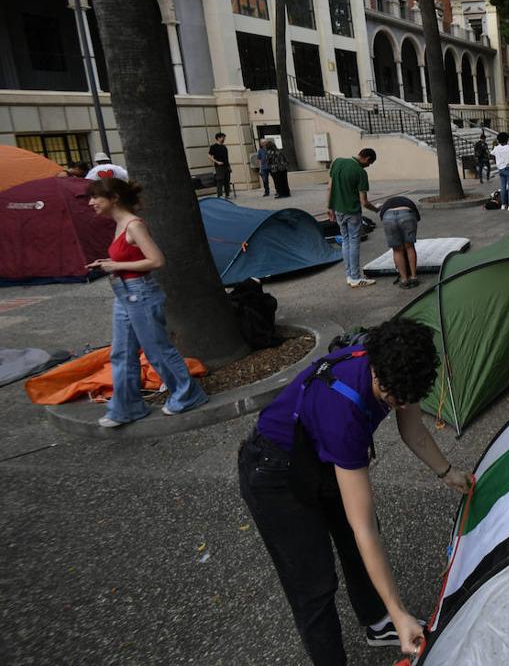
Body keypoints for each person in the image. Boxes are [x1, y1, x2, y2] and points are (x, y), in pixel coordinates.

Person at [239, 315, 474, 663]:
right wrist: (400, 609)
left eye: (406, 397)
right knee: (314, 583)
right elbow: (363, 528)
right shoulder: (344, 415)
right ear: (377, 372)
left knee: (354, 545)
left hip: (319, 452)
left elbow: (411, 428)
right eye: (392, 398)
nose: (399, 404)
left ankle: (378, 621)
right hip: (274, 471)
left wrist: (446, 471)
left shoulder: (395, 365)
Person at [85, 178, 209, 427]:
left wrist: (116, 265)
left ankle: (188, 395)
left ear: (114, 198)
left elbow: (156, 260)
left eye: (96, 197)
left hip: (140, 293)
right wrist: (108, 263)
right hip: (125, 294)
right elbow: (130, 257)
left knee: (157, 350)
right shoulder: (120, 224)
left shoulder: (133, 225)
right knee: (121, 353)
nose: (91, 202)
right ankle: (127, 407)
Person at [327, 148, 379, 288]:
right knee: (354, 242)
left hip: (338, 210)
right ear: (367, 159)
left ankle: (349, 275)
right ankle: (356, 277)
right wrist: (377, 210)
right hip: (352, 212)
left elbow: (329, 187)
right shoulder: (361, 172)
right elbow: (364, 202)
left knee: (345, 241)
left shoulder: (337, 162)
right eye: (370, 163)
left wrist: (329, 207)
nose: (368, 166)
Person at [378, 194, 420, 288]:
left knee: (397, 250)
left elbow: (382, 218)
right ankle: (414, 277)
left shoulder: (386, 204)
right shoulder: (409, 202)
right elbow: (417, 218)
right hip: (407, 213)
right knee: (409, 247)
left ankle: (404, 279)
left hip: (388, 216)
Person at [492, 132, 509, 211]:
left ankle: (503, 205)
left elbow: (491, 155)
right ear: (506, 139)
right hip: (508, 168)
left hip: (500, 169)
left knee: (502, 187)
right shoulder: (508, 147)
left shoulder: (496, 148)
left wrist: (497, 161)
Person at [208, 132, 231, 199]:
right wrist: (217, 162)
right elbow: (209, 156)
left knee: (227, 180)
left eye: (224, 137)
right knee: (220, 180)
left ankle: (227, 194)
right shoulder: (213, 147)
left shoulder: (224, 147)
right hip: (219, 167)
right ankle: (220, 195)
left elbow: (226, 158)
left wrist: (229, 166)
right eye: (222, 137)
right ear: (218, 138)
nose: (224, 139)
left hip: (226, 166)